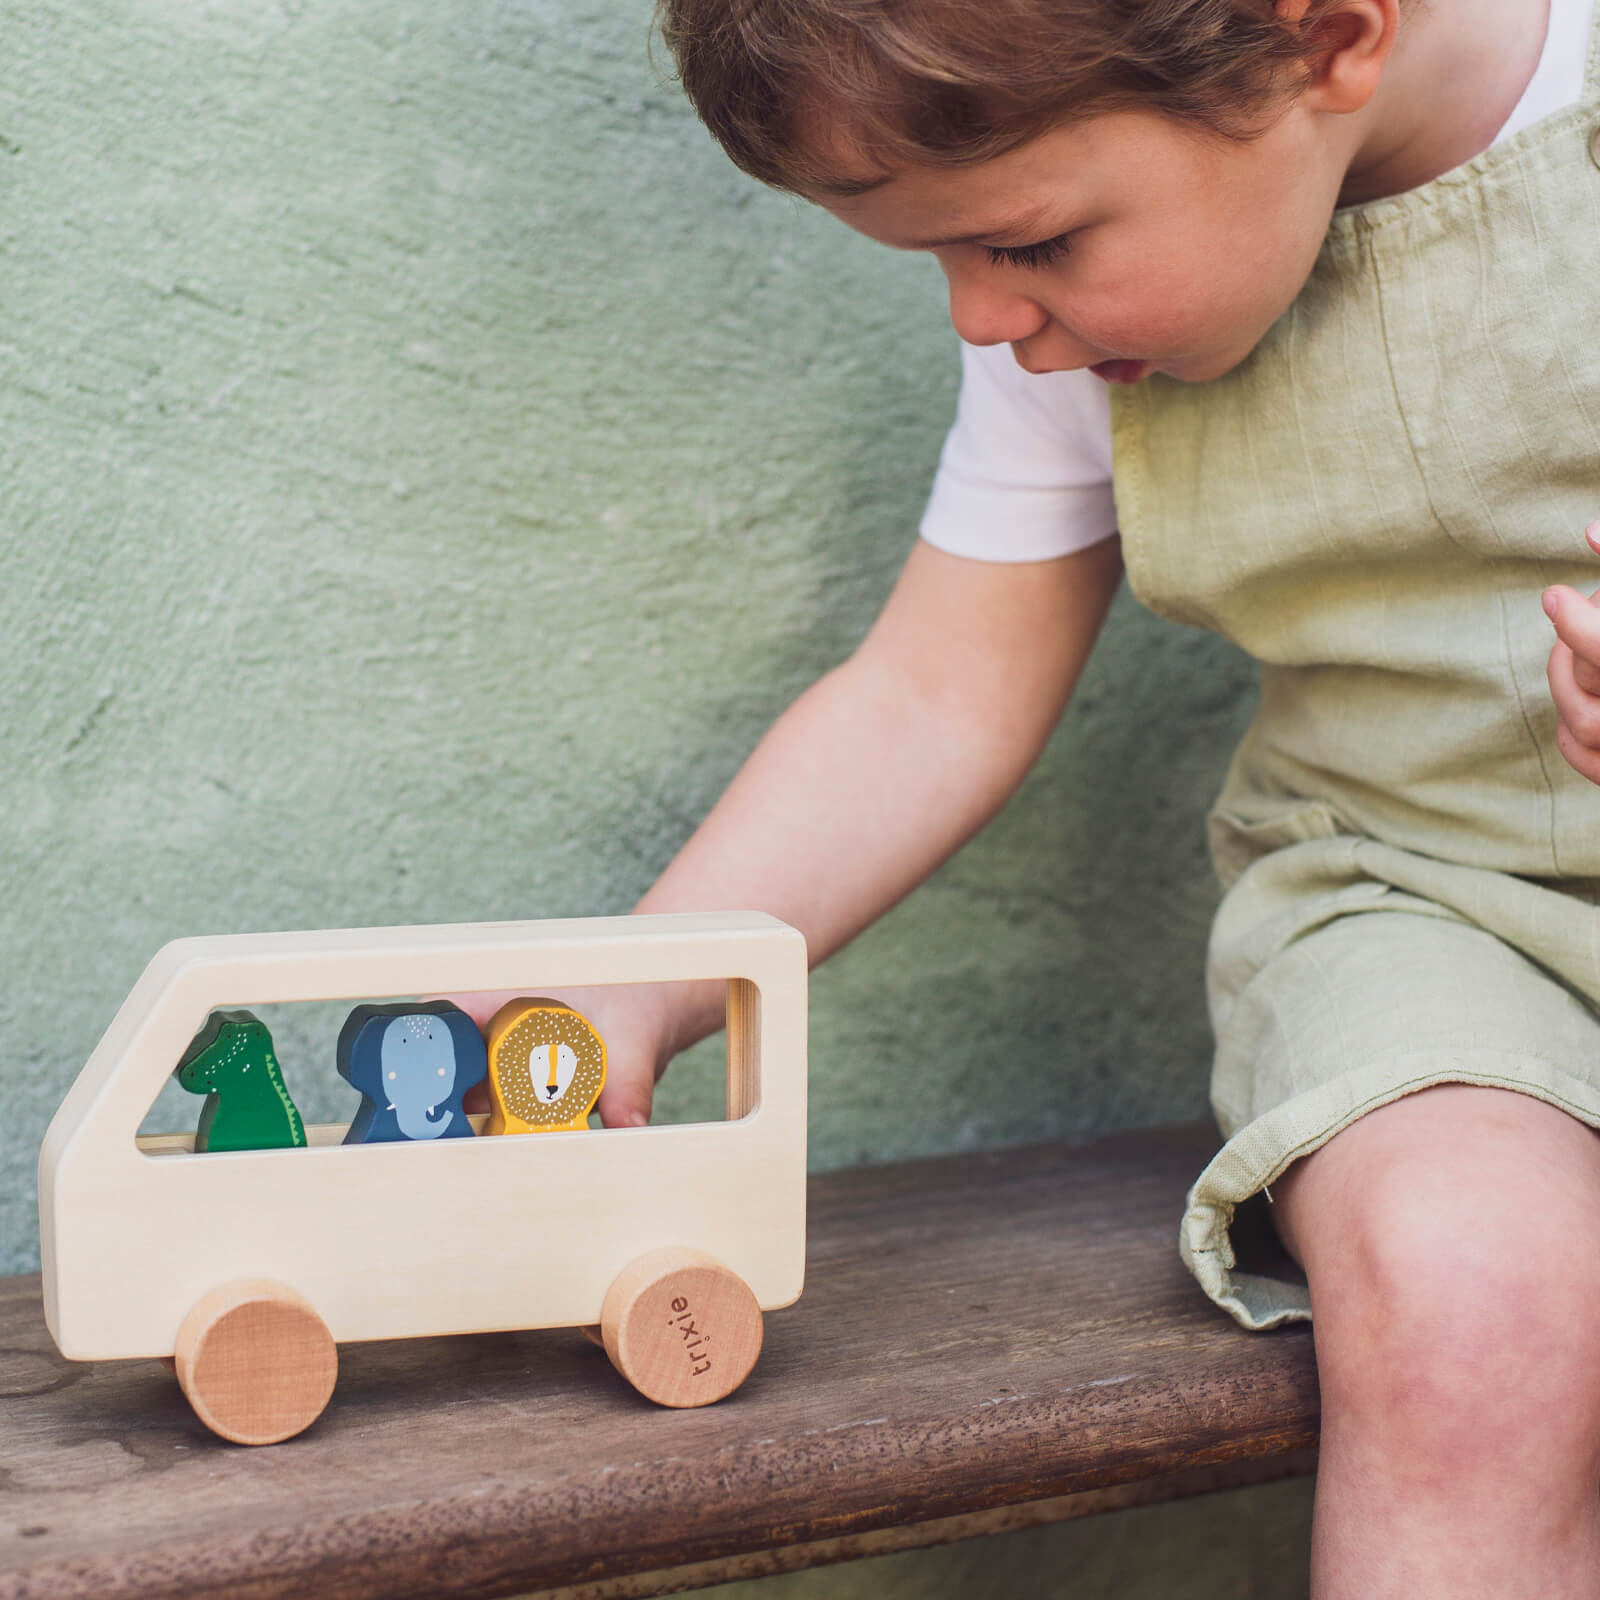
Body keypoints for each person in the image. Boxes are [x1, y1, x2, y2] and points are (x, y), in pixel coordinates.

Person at [459, 0, 1600, 1589]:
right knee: (1474, 1295)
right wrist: (638, 984)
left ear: (1324, 39)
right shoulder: (1083, 341)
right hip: (1422, 912)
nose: (984, 319)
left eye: (1032, 242)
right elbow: (936, 695)